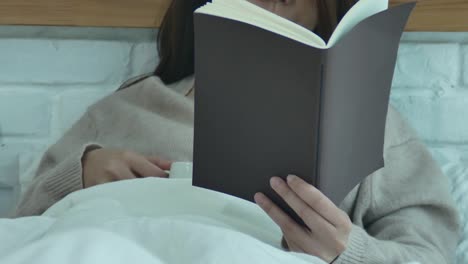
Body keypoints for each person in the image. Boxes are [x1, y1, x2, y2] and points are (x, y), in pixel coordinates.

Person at [14, 0, 460, 263]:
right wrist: (82, 171)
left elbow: (429, 252)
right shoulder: (129, 107)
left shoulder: (370, 126)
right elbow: (23, 222)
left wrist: (348, 251)